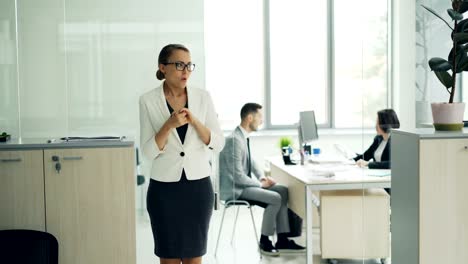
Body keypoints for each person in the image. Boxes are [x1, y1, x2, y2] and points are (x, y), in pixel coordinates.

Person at [139, 44, 225, 264]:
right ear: (163, 67)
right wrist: (168, 126)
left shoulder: (203, 97)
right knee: (168, 258)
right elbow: (148, 152)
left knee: (194, 258)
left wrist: (195, 121)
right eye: (179, 65)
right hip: (164, 190)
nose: (185, 70)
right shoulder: (148, 100)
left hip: (197, 188)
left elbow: (218, 143)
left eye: (188, 65)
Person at [219, 103, 305, 256]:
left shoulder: (242, 137)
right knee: (275, 198)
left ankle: (283, 239)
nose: (261, 121)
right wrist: (260, 184)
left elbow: (251, 161)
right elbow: (237, 176)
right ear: (249, 118)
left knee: (284, 191)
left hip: (243, 186)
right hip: (235, 190)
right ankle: (265, 241)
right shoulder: (234, 140)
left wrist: (262, 177)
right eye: (260, 117)